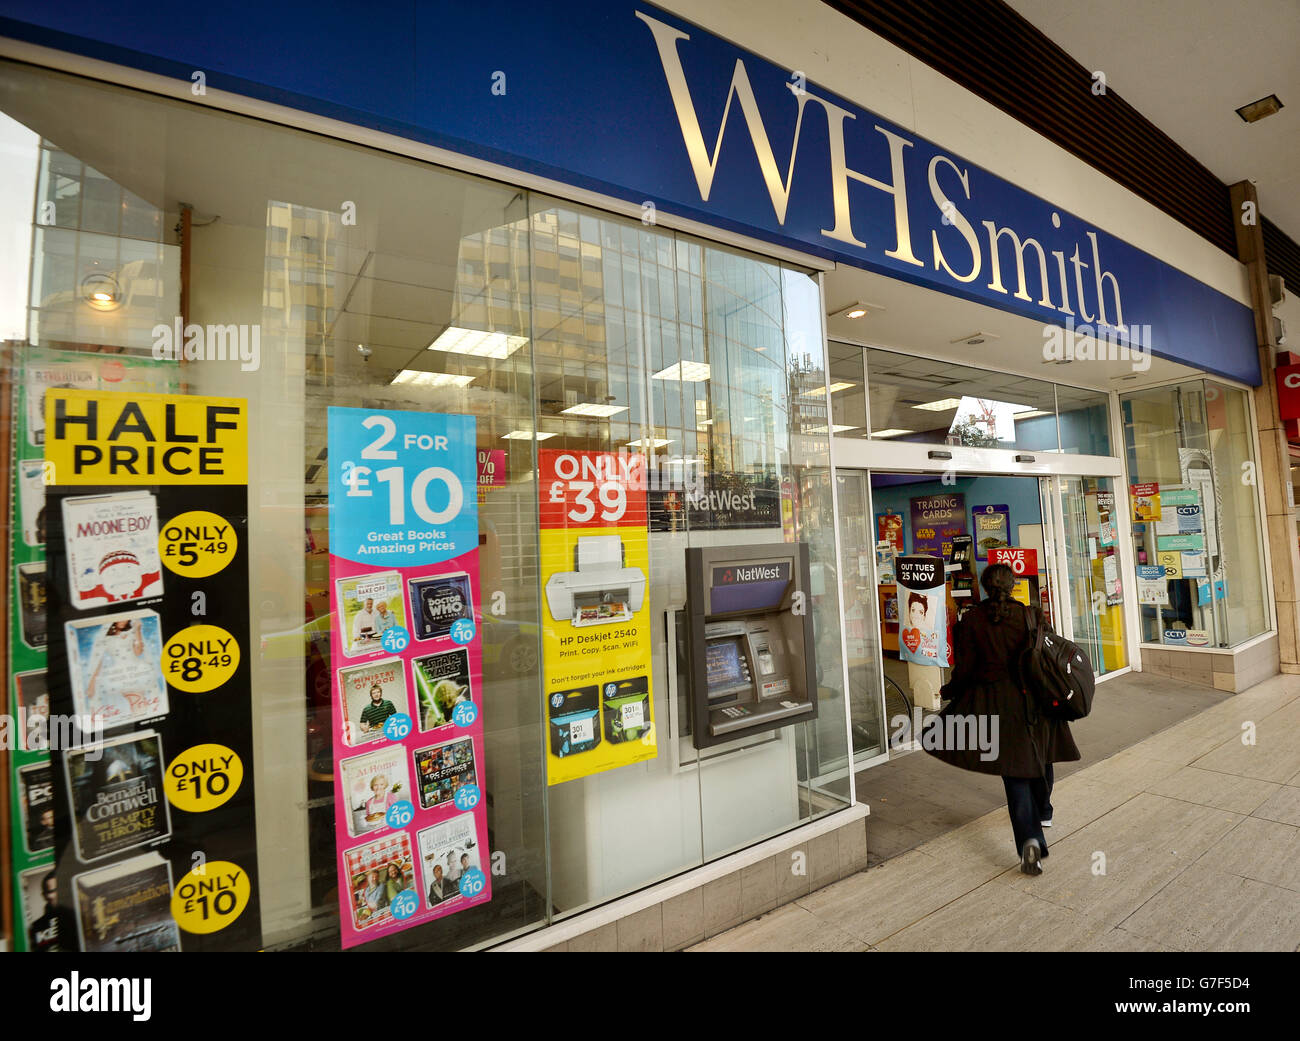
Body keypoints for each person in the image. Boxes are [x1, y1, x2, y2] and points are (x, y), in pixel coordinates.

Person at [924, 563, 1080, 876]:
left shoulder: (971, 621)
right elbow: (1050, 656)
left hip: (995, 704)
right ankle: (1044, 809)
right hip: (1035, 699)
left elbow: (965, 671)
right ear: (1012, 586)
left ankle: (1029, 841)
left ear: (983, 587)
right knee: (1041, 754)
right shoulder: (1031, 615)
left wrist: (949, 691)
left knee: (1015, 774)